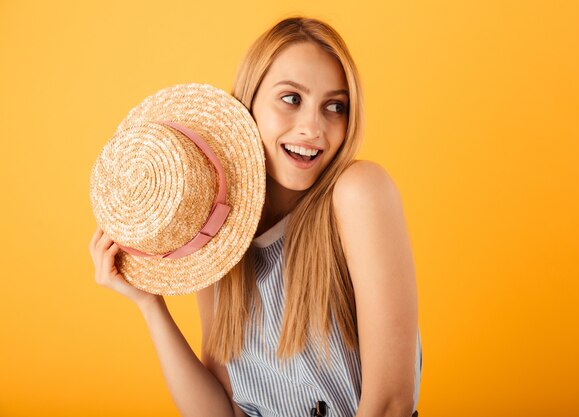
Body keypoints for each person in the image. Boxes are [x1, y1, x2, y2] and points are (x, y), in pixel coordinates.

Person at [89, 16, 421, 417]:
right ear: (250, 102)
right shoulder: (217, 236)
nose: (313, 128)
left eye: (335, 106)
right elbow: (222, 411)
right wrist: (149, 305)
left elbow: (391, 405)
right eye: (292, 99)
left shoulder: (359, 192)